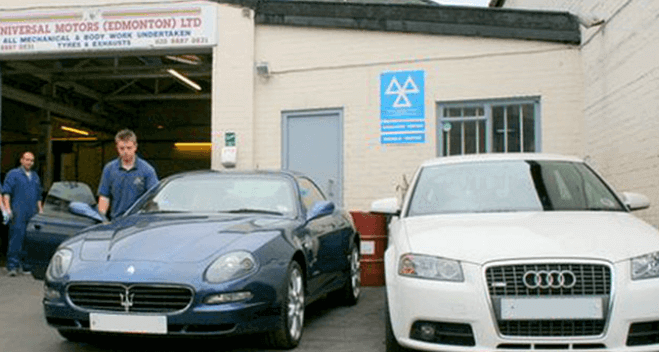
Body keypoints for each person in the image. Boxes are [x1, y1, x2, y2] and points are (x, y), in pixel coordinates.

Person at [98, 129, 158, 220]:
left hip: (138, 222)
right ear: (117, 147)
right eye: (121, 148)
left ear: (135, 147)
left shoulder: (147, 170)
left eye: (129, 148)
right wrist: (101, 219)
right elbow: (104, 197)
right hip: (116, 221)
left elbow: (154, 198)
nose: (125, 152)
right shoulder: (109, 169)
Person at [3, 151, 43, 277]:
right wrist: (7, 209)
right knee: (16, 237)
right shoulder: (13, 174)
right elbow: (6, 193)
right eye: (27, 159)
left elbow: (38, 196)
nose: (29, 162)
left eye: (31, 160)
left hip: (32, 211)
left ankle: (25, 265)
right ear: (21, 160)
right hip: (18, 210)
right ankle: (12, 265)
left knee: (29, 239)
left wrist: (40, 211)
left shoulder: (35, 176)